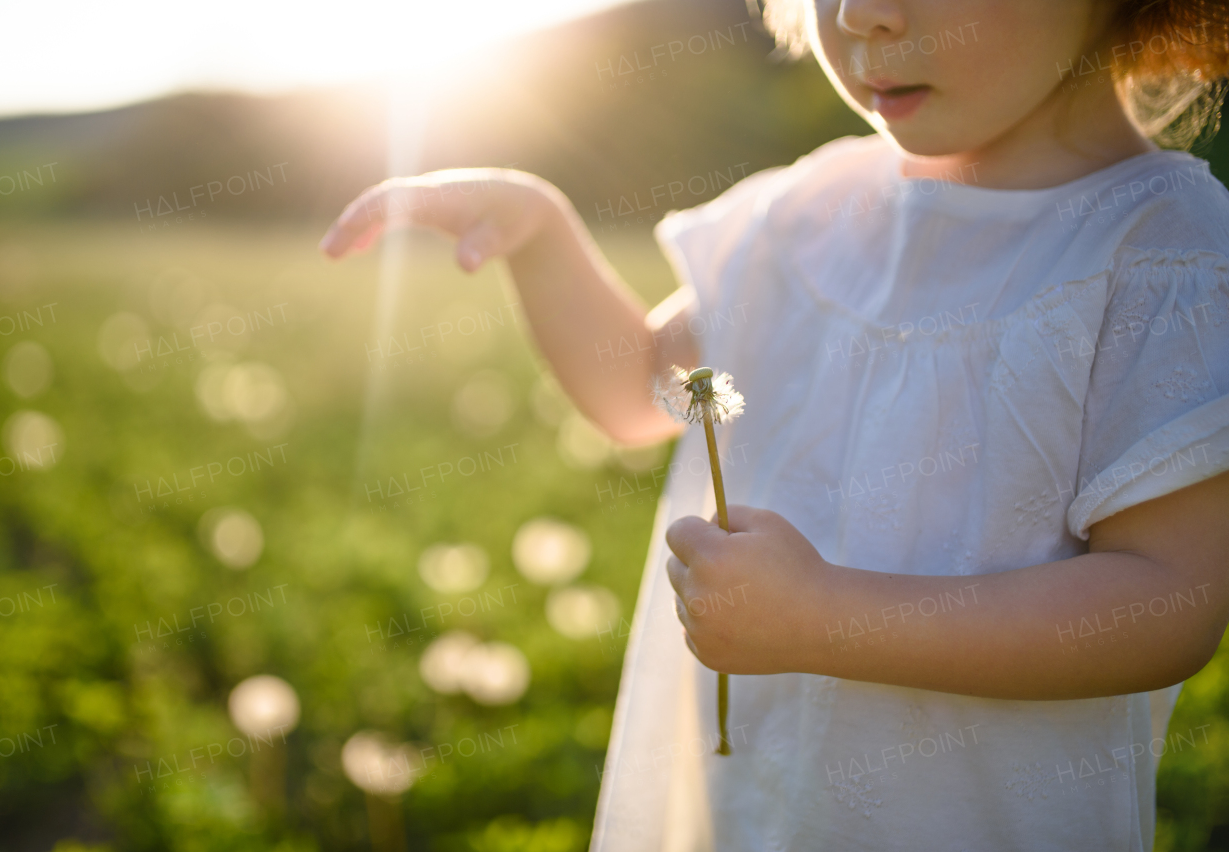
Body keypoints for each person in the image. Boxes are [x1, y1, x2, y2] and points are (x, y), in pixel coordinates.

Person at [320, 1, 1229, 848]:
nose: (856, 15)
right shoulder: (805, 214)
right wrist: (538, 232)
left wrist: (831, 619)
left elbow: (1166, 599)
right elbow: (641, 387)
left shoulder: (1157, 249)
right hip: (745, 813)